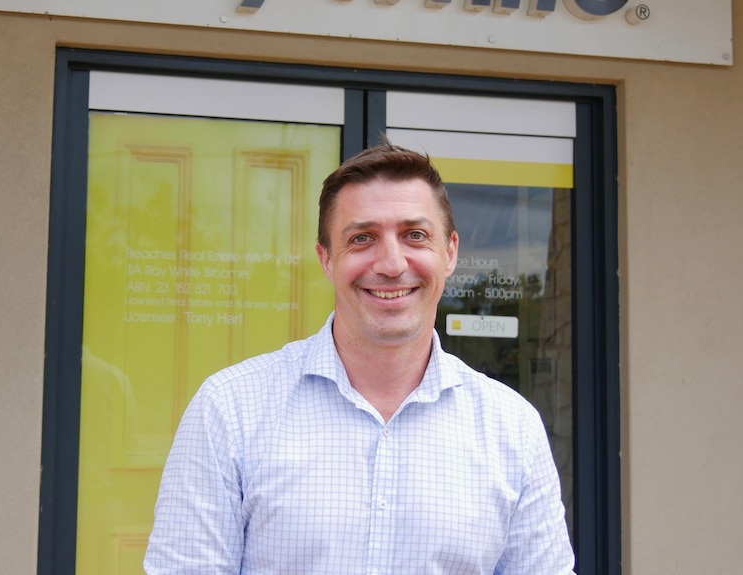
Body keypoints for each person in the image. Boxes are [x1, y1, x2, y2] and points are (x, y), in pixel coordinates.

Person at [144, 143, 576, 575]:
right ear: (327, 259)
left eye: (415, 235)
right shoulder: (231, 408)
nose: (391, 263)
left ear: (450, 252)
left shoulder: (512, 427)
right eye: (362, 238)